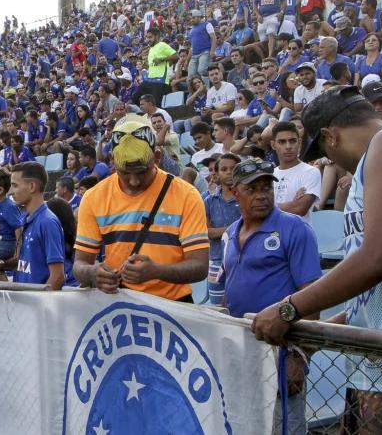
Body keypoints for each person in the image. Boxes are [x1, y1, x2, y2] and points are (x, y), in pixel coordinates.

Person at [252, 85, 382, 432]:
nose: (332, 161)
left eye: (326, 153)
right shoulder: (380, 159)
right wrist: (318, 333)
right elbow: (379, 290)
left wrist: (289, 308)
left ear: (330, 136)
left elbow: (379, 258)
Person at [222, 158, 322, 435]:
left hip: (281, 349)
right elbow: (230, 290)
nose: (262, 195)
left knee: (283, 425)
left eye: (267, 187)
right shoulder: (231, 233)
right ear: (234, 191)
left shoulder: (295, 229)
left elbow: (312, 297)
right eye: (252, 189)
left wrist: (299, 358)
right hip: (242, 349)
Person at [73, 116, 209, 301]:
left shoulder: (187, 195)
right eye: (124, 173)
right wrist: (92, 273)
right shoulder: (94, 197)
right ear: (112, 160)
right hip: (119, 305)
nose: (134, 181)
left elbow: (200, 266)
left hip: (174, 307)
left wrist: (157, 272)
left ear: (157, 157)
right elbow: (80, 263)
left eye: (142, 171)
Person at [9, 162, 65, 289]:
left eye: (15, 186)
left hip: (36, 306)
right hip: (23, 302)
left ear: (32, 186)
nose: (11, 192)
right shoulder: (24, 218)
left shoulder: (48, 222)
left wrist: (38, 306)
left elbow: (57, 276)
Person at [203, 153, 241, 305]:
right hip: (216, 259)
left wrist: (218, 231)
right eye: (224, 169)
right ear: (217, 173)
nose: (229, 172)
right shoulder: (209, 201)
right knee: (218, 306)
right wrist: (236, 227)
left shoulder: (245, 197)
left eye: (233, 168)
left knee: (241, 305)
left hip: (242, 259)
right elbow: (206, 232)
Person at [271, 122, 321, 223]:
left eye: (292, 141)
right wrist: (292, 203)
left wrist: (269, 207)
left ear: (300, 142)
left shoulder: (311, 172)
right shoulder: (268, 176)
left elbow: (300, 208)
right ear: (273, 145)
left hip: (299, 236)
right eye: (282, 142)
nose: (288, 146)